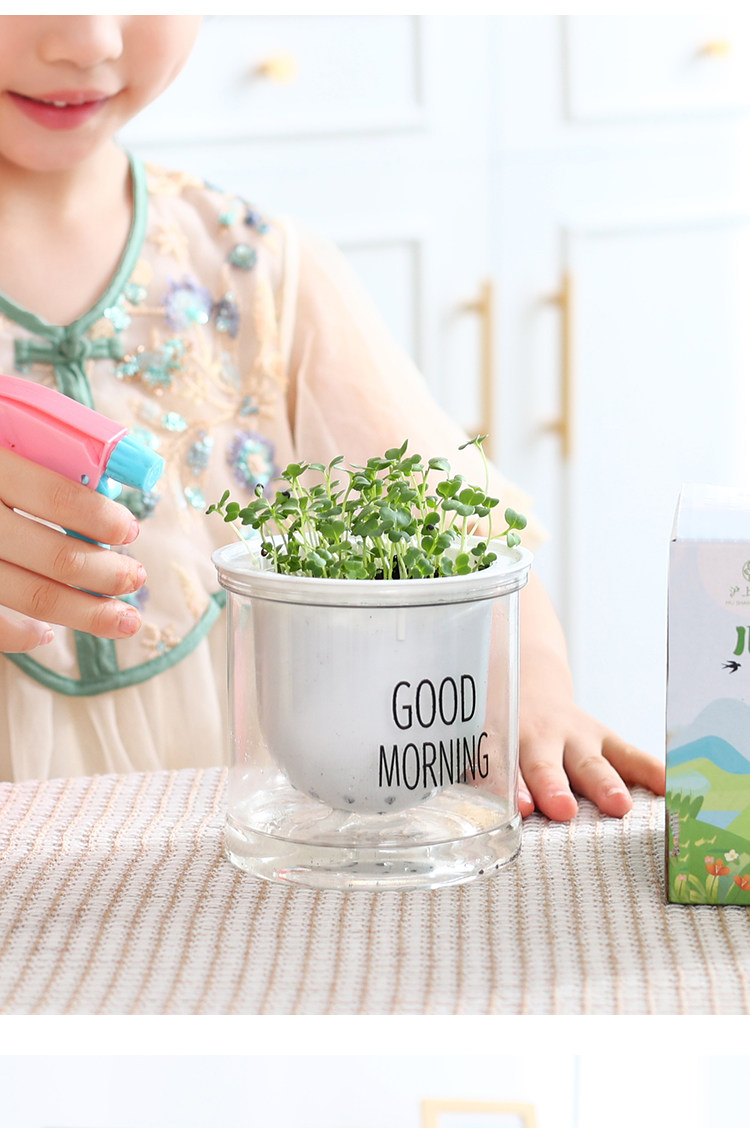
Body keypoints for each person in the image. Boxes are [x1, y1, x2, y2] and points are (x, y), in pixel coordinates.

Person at [0, 15, 664, 817]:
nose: (89, 40)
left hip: (225, 850)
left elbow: (464, 544)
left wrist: (532, 694)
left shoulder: (260, 272)